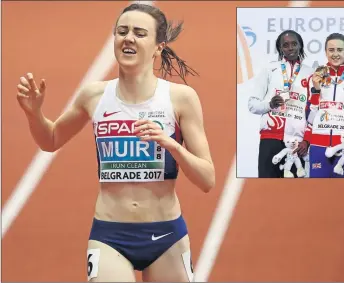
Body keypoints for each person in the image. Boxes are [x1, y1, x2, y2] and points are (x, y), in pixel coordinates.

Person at [16, 3, 215, 282]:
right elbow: (50, 139)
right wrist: (34, 114)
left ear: (159, 46)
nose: (128, 38)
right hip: (110, 234)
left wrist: (171, 145)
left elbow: (207, 179)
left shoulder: (180, 98)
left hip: (167, 235)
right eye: (122, 31)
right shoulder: (94, 96)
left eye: (139, 32)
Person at [247, 30, 313, 178]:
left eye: (294, 44)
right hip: (270, 139)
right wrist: (270, 104)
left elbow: (314, 110)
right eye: (286, 45)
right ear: (280, 49)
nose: (290, 48)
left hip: (297, 143)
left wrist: (307, 141)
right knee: (266, 189)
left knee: (294, 193)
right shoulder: (269, 69)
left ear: (300, 46)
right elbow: (252, 104)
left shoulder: (311, 73)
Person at [304, 33, 344, 178]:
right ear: (325, 52)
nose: (335, 54)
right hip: (319, 146)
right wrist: (316, 90)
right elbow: (310, 119)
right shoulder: (315, 78)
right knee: (318, 196)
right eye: (331, 50)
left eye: (340, 50)